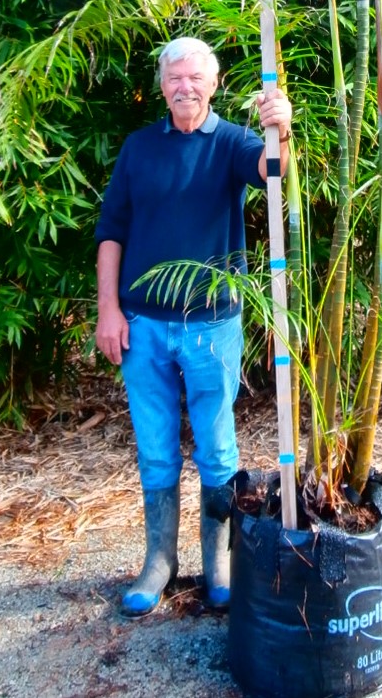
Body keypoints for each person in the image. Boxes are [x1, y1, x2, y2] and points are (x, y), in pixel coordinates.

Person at [94, 36, 292, 617]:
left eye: (195, 78)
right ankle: (160, 560)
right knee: (155, 451)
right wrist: (109, 310)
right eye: (174, 78)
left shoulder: (231, 142)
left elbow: (271, 171)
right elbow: (111, 232)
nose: (184, 87)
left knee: (217, 446)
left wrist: (281, 129)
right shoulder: (138, 148)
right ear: (162, 85)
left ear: (213, 83)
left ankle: (219, 561)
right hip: (143, 326)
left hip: (212, 326)